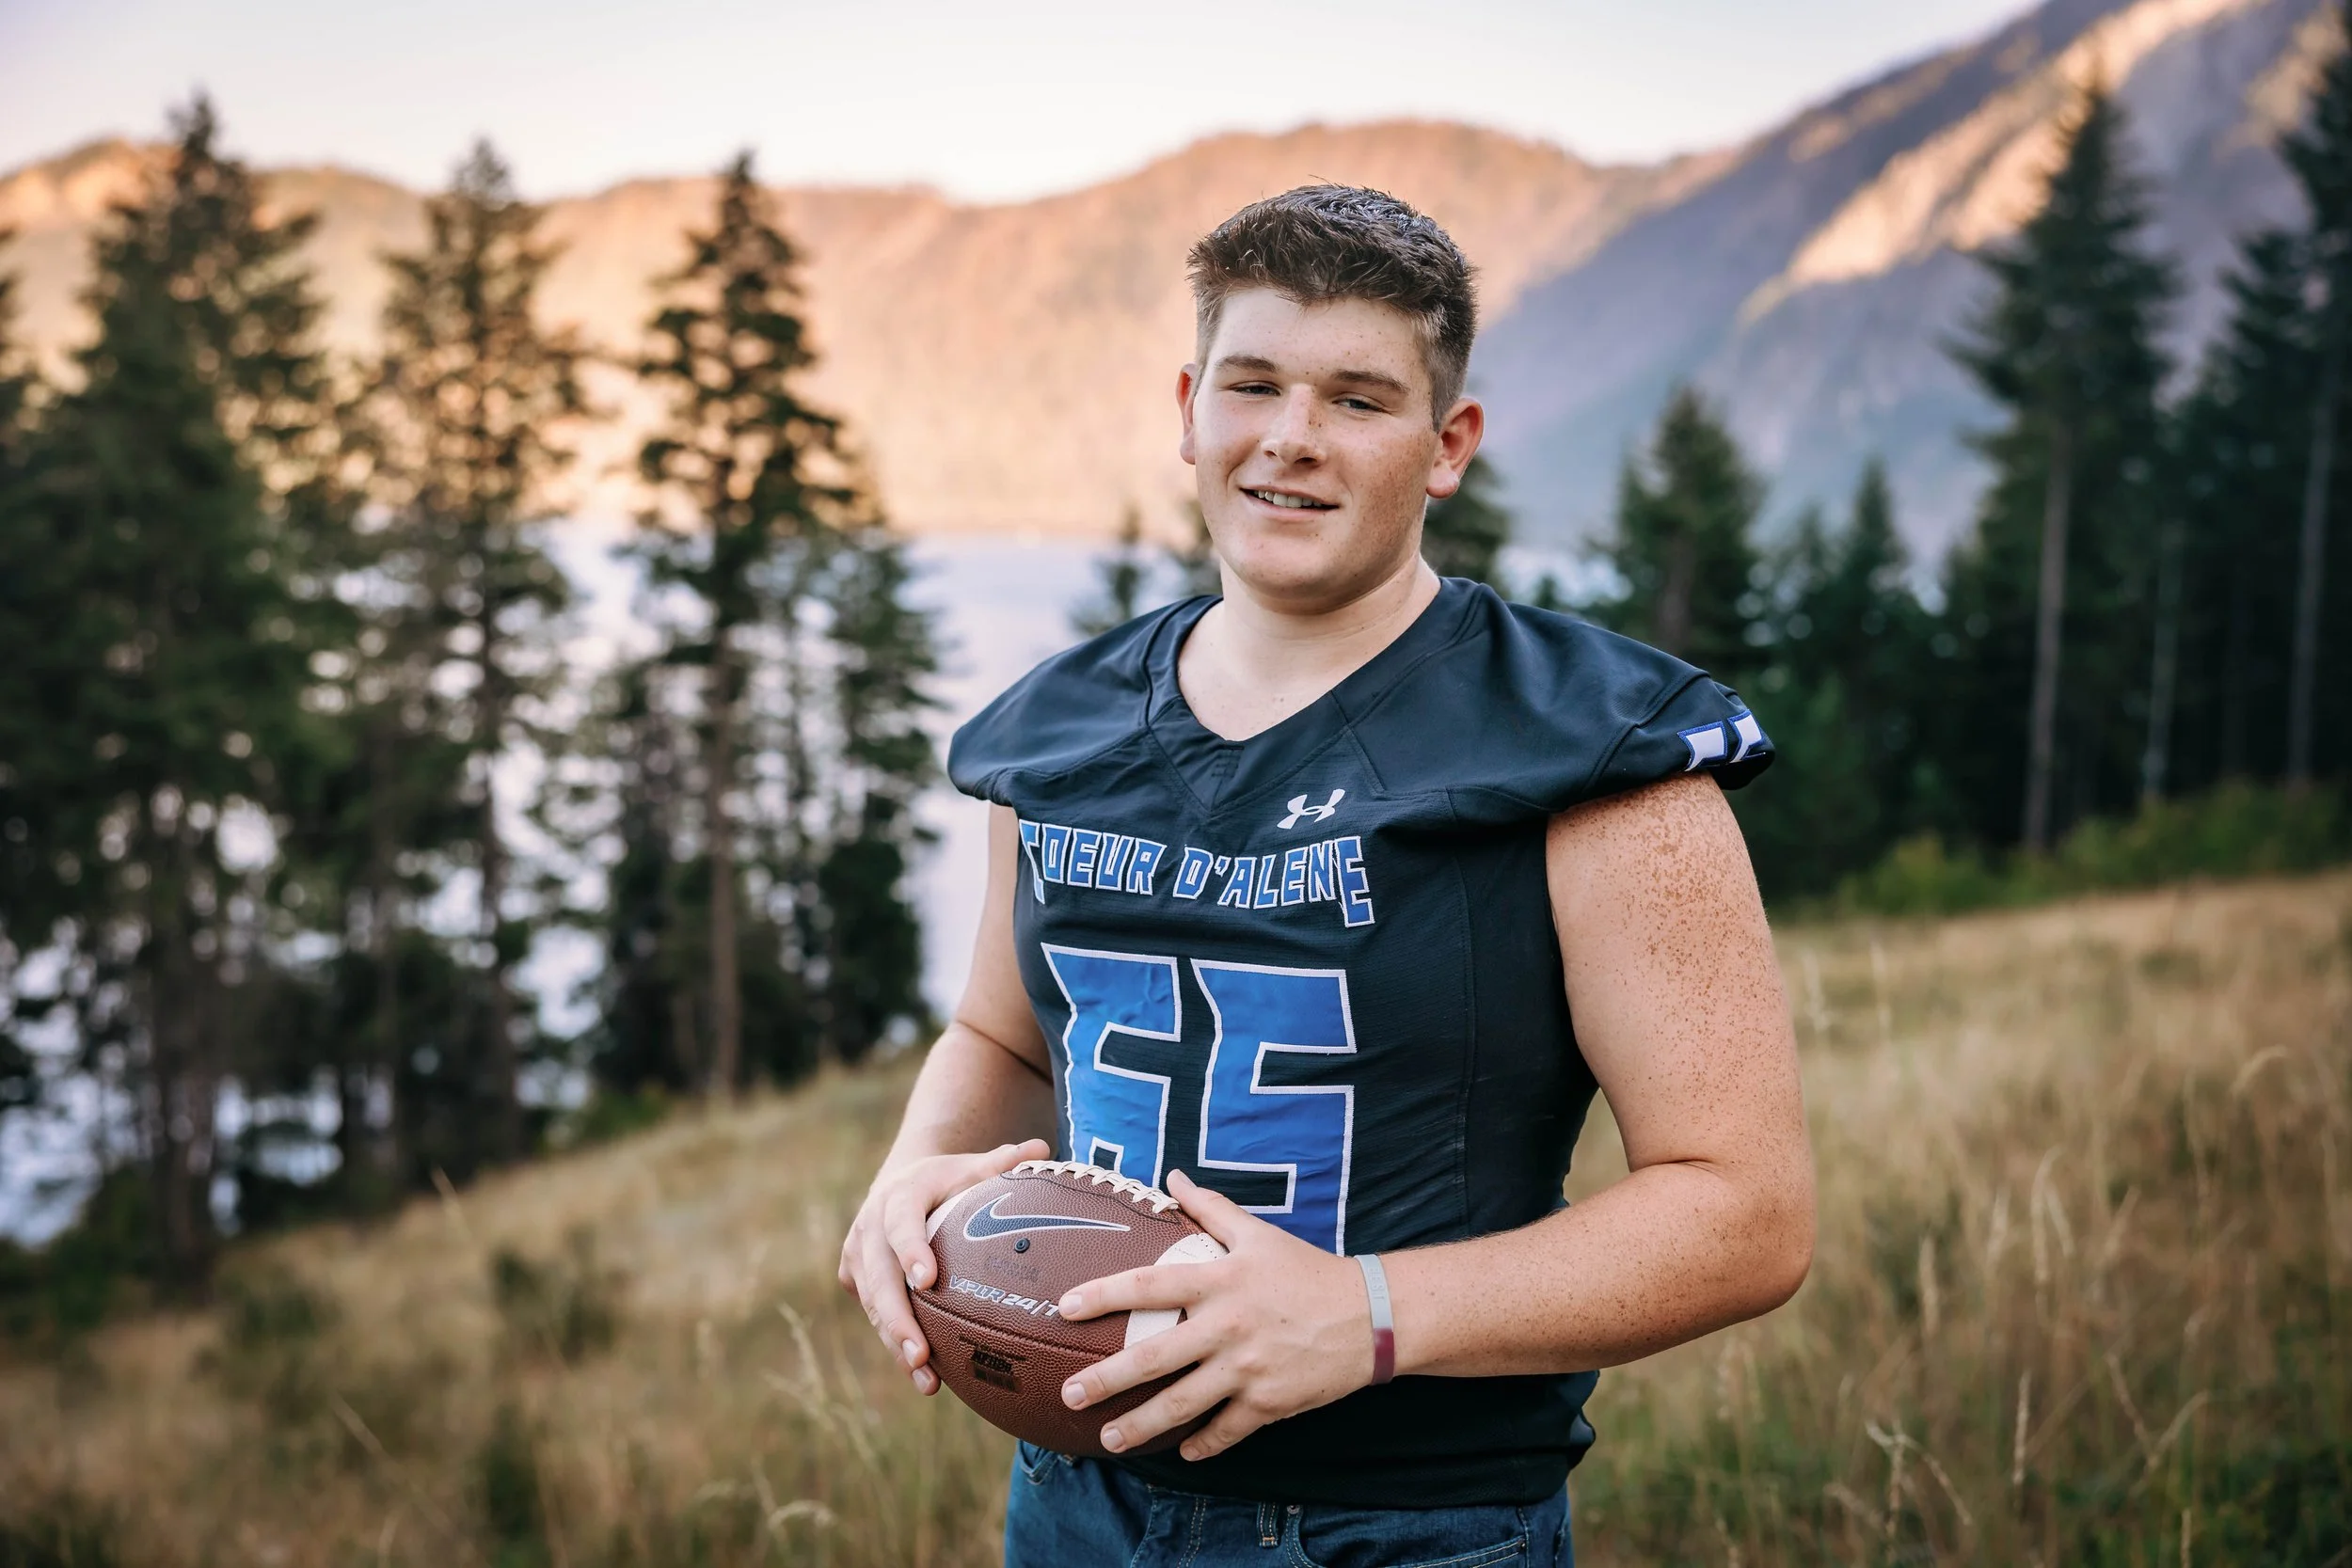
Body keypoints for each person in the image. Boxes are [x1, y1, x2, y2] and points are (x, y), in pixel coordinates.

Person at [838, 184, 1815, 1567]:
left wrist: (1364, 1312)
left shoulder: (1595, 751)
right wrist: (917, 1172)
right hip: (1073, 1503)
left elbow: (1745, 1212)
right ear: (1190, 408)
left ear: (1447, 443)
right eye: (1253, 384)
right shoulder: (1054, 735)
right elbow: (1003, 1031)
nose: (1290, 439)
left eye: (1358, 398)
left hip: (1405, 1526)